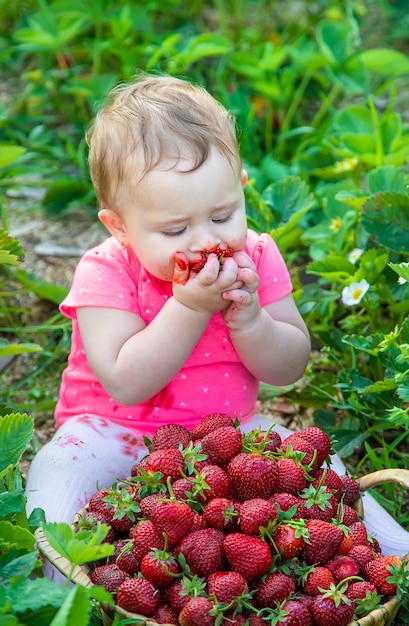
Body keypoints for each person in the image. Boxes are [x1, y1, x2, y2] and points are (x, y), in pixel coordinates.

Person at [26, 74, 408, 563]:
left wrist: (251, 321)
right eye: (175, 228)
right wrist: (188, 308)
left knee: (317, 463)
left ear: (242, 188)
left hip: (229, 437)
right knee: (55, 475)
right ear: (119, 225)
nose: (206, 240)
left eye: (223, 215)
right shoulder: (107, 269)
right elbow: (125, 381)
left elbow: (289, 367)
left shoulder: (257, 257)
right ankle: (67, 583)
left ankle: (392, 554)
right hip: (109, 435)